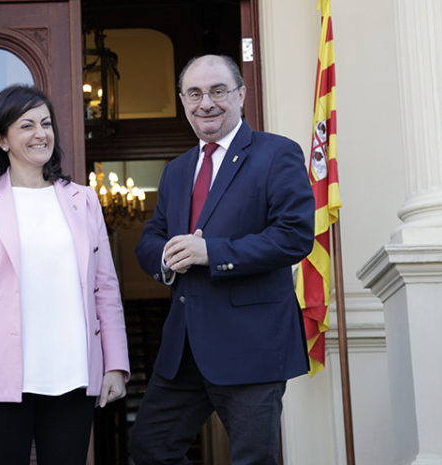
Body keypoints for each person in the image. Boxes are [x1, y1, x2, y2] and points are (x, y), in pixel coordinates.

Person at [129, 55, 315, 465]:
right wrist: (165, 255)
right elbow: (151, 238)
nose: (205, 103)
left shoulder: (277, 154)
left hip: (253, 345)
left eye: (218, 91)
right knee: (150, 447)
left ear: (241, 95)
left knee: (252, 460)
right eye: (194, 94)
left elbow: (294, 236)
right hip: (184, 348)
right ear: (182, 101)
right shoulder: (176, 171)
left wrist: (211, 252)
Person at [0, 84, 130, 465]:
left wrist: (115, 364)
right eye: (26, 125)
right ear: (2, 138)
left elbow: (104, 289)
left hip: (73, 371)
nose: (40, 133)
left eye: (46, 123)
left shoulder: (83, 199)